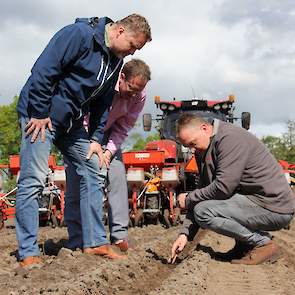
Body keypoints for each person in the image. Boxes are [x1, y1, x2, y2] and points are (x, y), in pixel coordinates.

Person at [16, 14, 152, 268]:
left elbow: (102, 103)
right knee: (33, 179)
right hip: (40, 116)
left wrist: (96, 140)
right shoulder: (78, 35)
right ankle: (27, 252)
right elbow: (44, 70)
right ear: (120, 31)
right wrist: (39, 112)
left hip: (72, 124)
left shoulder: (115, 61)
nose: (133, 52)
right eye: (133, 45)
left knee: (93, 166)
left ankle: (95, 242)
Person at [170, 114, 295, 265]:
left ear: (204, 128)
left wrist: (189, 198)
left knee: (204, 211)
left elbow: (223, 188)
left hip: (274, 207)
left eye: (192, 143)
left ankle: (262, 244)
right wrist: (185, 234)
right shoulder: (203, 150)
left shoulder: (229, 139)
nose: (191, 149)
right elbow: (202, 191)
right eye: (188, 146)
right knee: (202, 206)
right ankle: (243, 247)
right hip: (255, 201)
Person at [66, 58, 151, 252]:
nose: (134, 95)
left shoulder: (139, 95)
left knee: (117, 177)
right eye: (131, 88)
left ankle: (119, 236)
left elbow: (125, 125)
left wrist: (108, 151)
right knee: (75, 182)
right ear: (122, 77)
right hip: (81, 132)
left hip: (110, 135)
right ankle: (77, 238)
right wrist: (93, 145)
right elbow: (84, 115)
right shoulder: (103, 80)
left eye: (138, 90)